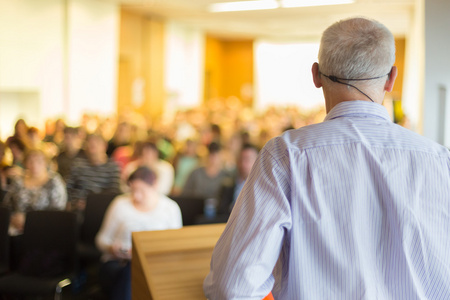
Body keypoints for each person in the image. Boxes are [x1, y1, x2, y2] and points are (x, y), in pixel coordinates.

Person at [204, 17, 450, 299]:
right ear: (391, 78)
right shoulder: (440, 159)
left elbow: (232, 287)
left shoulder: (286, 155)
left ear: (316, 75)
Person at [95, 166, 182, 300]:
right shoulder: (120, 204)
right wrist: (112, 248)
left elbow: (176, 246)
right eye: (133, 190)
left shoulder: (170, 208)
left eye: (141, 190)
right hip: (119, 263)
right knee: (132, 269)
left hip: (155, 264)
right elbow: (101, 239)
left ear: (155, 186)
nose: (136, 196)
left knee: (136, 269)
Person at [3, 149, 67, 235]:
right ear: (25, 163)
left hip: (44, 228)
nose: (34, 165)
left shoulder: (54, 181)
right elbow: (7, 205)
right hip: (16, 228)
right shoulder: (18, 181)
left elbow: (58, 212)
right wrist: (13, 218)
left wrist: (29, 221)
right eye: (30, 161)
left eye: (39, 161)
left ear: (46, 163)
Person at [66, 134, 121, 213]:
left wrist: (92, 203)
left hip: (100, 208)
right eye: (90, 144)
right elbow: (69, 187)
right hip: (77, 208)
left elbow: (113, 192)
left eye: (96, 144)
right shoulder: (78, 164)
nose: (92, 147)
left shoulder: (112, 166)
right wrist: (74, 203)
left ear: (104, 146)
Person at [216, 144, 259, 218]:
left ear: (257, 161)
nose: (243, 163)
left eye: (247, 159)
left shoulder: (262, 186)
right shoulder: (227, 185)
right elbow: (220, 211)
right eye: (241, 159)